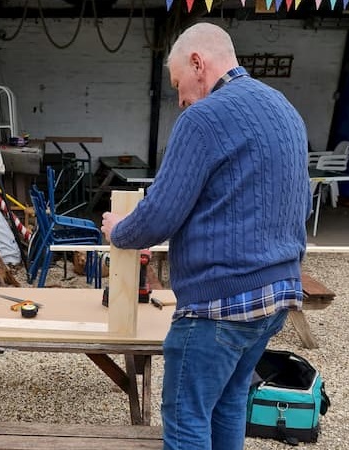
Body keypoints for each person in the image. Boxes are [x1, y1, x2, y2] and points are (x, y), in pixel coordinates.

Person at [101, 22, 312, 450]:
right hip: (275, 298)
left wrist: (118, 231)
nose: (180, 101)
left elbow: (159, 215)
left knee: (186, 417)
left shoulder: (204, 119)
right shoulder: (283, 107)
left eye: (179, 84)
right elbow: (299, 205)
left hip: (220, 307)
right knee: (230, 402)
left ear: (199, 63)